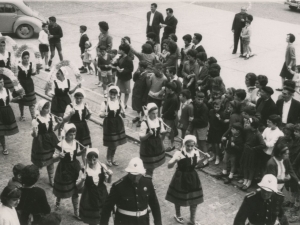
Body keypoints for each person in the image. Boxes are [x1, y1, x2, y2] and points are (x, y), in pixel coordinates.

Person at [100, 157, 162, 225]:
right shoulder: (118, 186)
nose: (135, 178)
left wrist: (158, 223)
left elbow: (154, 205)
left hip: (143, 221)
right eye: (132, 175)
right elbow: (107, 208)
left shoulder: (147, 182)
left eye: (137, 175)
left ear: (142, 173)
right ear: (128, 172)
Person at [165, 135, 203, 225]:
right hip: (180, 177)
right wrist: (175, 161)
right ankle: (177, 214)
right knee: (178, 197)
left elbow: (197, 164)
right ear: (184, 144)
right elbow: (169, 165)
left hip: (192, 177)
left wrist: (205, 159)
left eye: (192, 145)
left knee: (194, 199)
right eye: (188, 145)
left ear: (194, 145)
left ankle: (192, 220)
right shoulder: (179, 153)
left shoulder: (196, 152)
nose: (190, 147)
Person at [52, 124, 83, 219]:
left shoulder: (76, 143)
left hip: (74, 167)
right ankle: (58, 201)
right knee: (62, 188)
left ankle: (76, 211)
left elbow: (76, 153)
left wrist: (83, 151)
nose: (73, 137)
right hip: (64, 169)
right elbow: (53, 158)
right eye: (70, 134)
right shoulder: (60, 145)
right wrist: (58, 156)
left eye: (74, 134)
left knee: (75, 189)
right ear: (65, 134)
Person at [77, 148, 113, 225]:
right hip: (89, 197)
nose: (92, 162)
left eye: (94, 159)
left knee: (103, 217)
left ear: (97, 158)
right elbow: (77, 187)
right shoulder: (83, 170)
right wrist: (82, 180)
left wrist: (110, 176)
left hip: (102, 194)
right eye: (90, 160)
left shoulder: (102, 167)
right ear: (87, 159)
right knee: (92, 220)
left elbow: (108, 182)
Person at [31, 100, 62, 186]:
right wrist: (34, 130)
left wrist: (59, 124)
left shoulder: (51, 117)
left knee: (50, 160)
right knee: (39, 161)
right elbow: (34, 135)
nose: (48, 109)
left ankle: (51, 179)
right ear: (40, 109)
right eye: (45, 107)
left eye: (48, 107)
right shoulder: (36, 120)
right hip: (40, 142)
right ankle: (33, 176)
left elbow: (53, 129)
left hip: (50, 140)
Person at [45, 67, 80, 138]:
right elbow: (51, 93)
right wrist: (48, 93)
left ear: (63, 74)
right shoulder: (54, 82)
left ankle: (64, 133)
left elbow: (70, 92)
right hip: (58, 102)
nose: (57, 75)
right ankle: (60, 135)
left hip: (66, 101)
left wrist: (76, 87)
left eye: (58, 74)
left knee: (67, 117)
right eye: (57, 74)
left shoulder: (68, 81)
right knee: (60, 119)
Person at [99, 86, 127, 167]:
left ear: (117, 95)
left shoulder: (119, 102)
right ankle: (108, 158)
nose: (112, 96)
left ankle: (112, 158)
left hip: (118, 123)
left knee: (116, 143)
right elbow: (100, 114)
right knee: (112, 143)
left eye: (114, 95)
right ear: (109, 94)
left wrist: (123, 114)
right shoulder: (105, 103)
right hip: (109, 124)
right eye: (111, 94)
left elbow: (122, 114)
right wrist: (104, 115)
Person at [63, 88, 92, 165]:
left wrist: (89, 114)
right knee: (73, 148)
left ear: (83, 98)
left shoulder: (85, 105)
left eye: (80, 98)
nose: (78, 100)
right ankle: (73, 163)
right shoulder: (70, 106)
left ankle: (86, 167)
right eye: (77, 98)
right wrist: (70, 114)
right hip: (73, 129)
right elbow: (65, 120)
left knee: (85, 149)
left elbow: (86, 118)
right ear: (74, 97)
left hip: (83, 129)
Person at [139, 103, 168, 178]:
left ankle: (147, 179)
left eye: (156, 113)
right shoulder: (144, 123)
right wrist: (148, 134)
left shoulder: (159, 121)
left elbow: (161, 132)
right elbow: (141, 138)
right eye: (153, 113)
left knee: (152, 166)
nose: (155, 116)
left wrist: (166, 131)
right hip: (147, 147)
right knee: (149, 166)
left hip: (156, 145)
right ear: (148, 113)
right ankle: (147, 180)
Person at [239, 118, 266, 191]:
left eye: (249, 123)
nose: (248, 124)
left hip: (252, 153)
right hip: (246, 151)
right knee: (245, 166)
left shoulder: (258, 134)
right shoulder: (248, 130)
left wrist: (254, 148)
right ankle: (245, 180)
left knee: (251, 168)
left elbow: (263, 145)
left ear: (253, 126)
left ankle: (249, 182)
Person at [0, 75, 20, 155]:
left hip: (7, 111)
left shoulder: (7, 90)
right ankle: (4, 147)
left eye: (2, 82)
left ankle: (2, 143)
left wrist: (18, 98)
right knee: (1, 131)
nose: (1, 84)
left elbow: (11, 100)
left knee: (3, 129)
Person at [17, 51, 38, 121]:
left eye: (27, 58)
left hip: (29, 85)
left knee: (31, 101)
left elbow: (33, 73)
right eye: (24, 58)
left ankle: (33, 117)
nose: (26, 60)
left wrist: (37, 70)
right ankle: (22, 115)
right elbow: (16, 76)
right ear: (22, 58)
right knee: (21, 101)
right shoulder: (18, 66)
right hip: (22, 85)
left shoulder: (30, 64)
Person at [162, 82, 179, 152]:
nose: (165, 89)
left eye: (167, 88)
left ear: (170, 89)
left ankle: (172, 145)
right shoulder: (169, 95)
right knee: (164, 130)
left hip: (169, 118)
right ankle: (161, 143)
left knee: (168, 131)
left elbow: (171, 110)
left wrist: (163, 115)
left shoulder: (174, 98)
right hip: (166, 116)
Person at [115, 44, 134, 108]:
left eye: (120, 50)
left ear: (123, 51)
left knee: (126, 91)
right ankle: (118, 101)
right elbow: (117, 64)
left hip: (126, 78)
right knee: (118, 90)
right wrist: (116, 66)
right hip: (120, 77)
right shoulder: (120, 57)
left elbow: (131, 69)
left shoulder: (129, 59)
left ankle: (125, 104)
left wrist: (123, 70)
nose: (118, 51)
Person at [132, 61, 149, 127]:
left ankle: (141, 120)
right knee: (137, 107)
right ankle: (138, 117)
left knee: (141, 108)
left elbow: (147, 87)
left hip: (141, 95)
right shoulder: (139, 73)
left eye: (139, 66)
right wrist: (136, 73)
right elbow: (134, 79)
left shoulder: (146, 76)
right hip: (137, 93)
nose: (138, 67)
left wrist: (144, 97)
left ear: (142, 67)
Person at [207, 99, 224, 165]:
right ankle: (214, 155)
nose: (216, 108)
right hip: (212, 129)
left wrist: (219, 118)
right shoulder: (211, 111)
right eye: (215, 107)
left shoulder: (222, 113)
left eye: (218, 107)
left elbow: (223, 123)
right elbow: (209, 119)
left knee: (217, 145)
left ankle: (217, 157)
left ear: (220, 107)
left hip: (218, 131)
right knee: (212, 143)